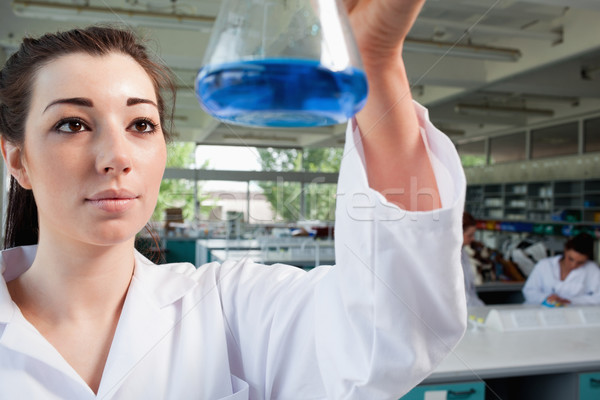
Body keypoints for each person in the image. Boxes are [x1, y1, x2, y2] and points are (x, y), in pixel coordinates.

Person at [0, 1, 467, 398]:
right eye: (72, 124)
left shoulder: (231, 307)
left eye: (141, 125)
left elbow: (395, 328)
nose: (117, 157)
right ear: (17, 159)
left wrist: (377, 59)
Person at [522, 233, 600, 306]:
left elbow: (598, 297)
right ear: (565, 250)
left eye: (580, 262)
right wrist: (546, 298)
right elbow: (529, 291)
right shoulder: (545, 265)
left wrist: (571, 301)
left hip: (573, 313)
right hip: (539, 311)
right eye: (570, 259)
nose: (573, 265)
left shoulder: (592, 269)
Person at [461, 213, 485, 307]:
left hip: (470, 308)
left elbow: (470, 291)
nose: (473, 239)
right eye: (470, 235)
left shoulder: (464, 254)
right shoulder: (447, 257)